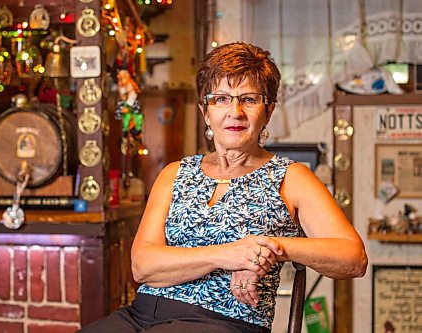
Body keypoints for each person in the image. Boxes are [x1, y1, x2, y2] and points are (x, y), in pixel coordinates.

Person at [77, 42, 368, 333]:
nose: (235, 112)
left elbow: (352, 257)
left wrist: (268, 248)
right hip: (140, 315)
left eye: (249, 99)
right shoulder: (175, 174)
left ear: (268, 111)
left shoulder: (291, 177)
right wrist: (228, 254)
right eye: (221, 99)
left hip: (224, 323)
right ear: (206, 111)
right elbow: (143, 265)